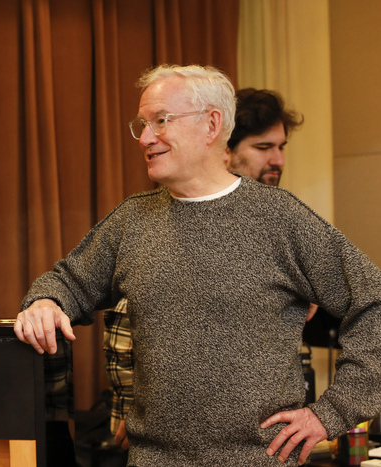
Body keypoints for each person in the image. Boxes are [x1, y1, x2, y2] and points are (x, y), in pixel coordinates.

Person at [14, 64, 381, 466]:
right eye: (143, 124)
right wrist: (46, 301)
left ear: (211, 124)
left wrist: (331, 412)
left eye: (161, 121)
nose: (146, 137)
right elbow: (68, 283)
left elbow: (374, 303)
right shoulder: (131, 221)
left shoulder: (281, 219)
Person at [104, 87, 308, 452]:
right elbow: (129, 331)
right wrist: (137, 416)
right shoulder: (154, 223)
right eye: (263, 148)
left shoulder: (283, 219)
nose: (277, 159)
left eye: (282, 147)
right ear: (223, 147)